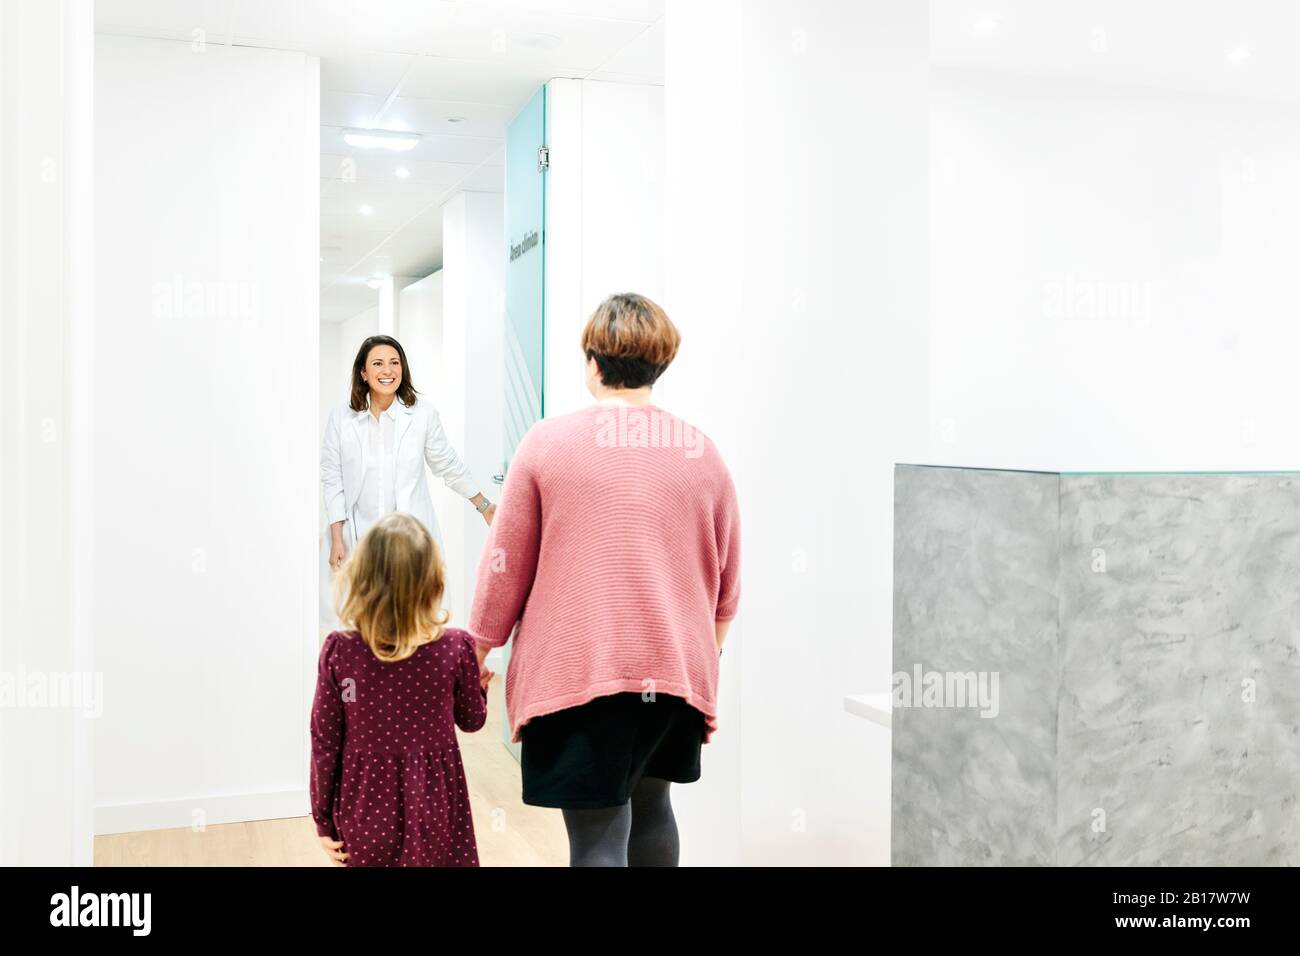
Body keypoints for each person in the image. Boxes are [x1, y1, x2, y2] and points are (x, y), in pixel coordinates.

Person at [468, 292, 741, 867]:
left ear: (592, 363)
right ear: (659, 365)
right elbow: (727, 579)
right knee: (652, 810)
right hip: (672, 676)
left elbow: (505, 563)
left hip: (583, 670)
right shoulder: (702, 451)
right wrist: (703, 654)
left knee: (597, 835)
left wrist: (478, 649)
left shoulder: (546, 442)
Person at [309, 512, 492, 867]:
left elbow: (325, 741)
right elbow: (471, 720)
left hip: (364, 804)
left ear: (361, 578)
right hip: (436, 803)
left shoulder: (340, 650)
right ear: (433, 581)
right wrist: (479, 687)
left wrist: (323, 820)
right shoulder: (456, 648)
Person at [321, 335, 494, 571]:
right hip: (360, 540)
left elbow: (447, 465)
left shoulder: (423, 415)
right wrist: (338, 538)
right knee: (364, 606)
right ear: (363, 372)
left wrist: (484, 505)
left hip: (408, 540)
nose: (388, 370)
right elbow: (333, 478)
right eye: (378, 363)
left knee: (413, 606)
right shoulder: (341, 417)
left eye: (394, 362)